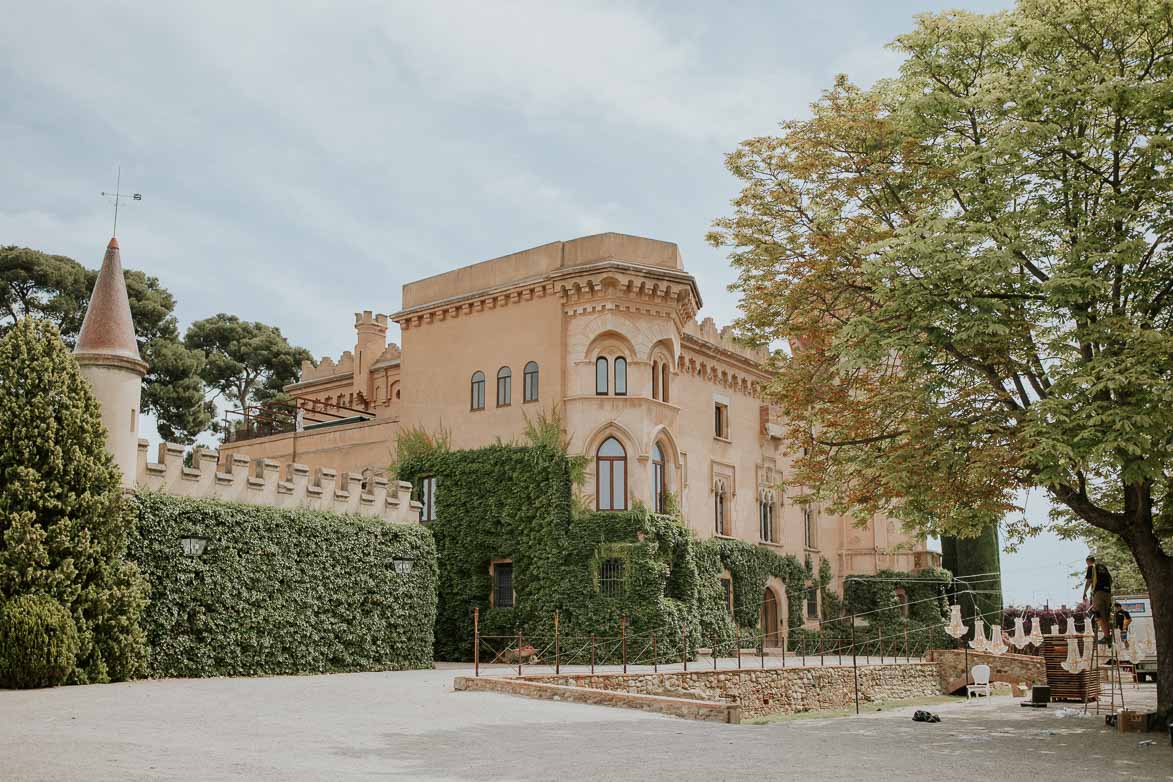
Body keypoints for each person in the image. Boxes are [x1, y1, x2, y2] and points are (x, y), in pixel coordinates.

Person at [1082, 555, 1112, 643]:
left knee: (1099, 615)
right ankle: (1108, 635)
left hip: (1099, 593)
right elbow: (1110, 580)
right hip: (1108, 593)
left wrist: (1084, 593)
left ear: (1088, 561)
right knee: (1106, 616)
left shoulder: (1091, 567)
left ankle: (1107, 637)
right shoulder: (1103, 567)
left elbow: (1089, 581)